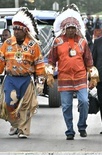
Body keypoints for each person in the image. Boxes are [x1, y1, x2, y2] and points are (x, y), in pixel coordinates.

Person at [46, 4, 99, 140]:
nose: (70, 30)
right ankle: (69, 130)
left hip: (80, 77)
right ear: (64, 29)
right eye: (68, 28)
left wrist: (93, 77)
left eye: (73, 28)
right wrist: (50, 74)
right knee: (66, 106)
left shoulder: (82, 42)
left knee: (84, 102)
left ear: (77, 28)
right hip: (64, 79)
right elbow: (51, 61)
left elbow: (89, 61)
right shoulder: (57, 42)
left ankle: (82, 126)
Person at [0, 7, 46, 138]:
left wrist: (40, 82)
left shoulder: (33, 45)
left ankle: (23, 129)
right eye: (14, 29)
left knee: (25, 106)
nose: (15, 31)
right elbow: (1, 60)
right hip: (10, 79)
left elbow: (39, 63)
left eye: (18, 29)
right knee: (10, 102)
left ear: (25, 30)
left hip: (26, 79)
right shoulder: (7, 43)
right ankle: (15, 124)